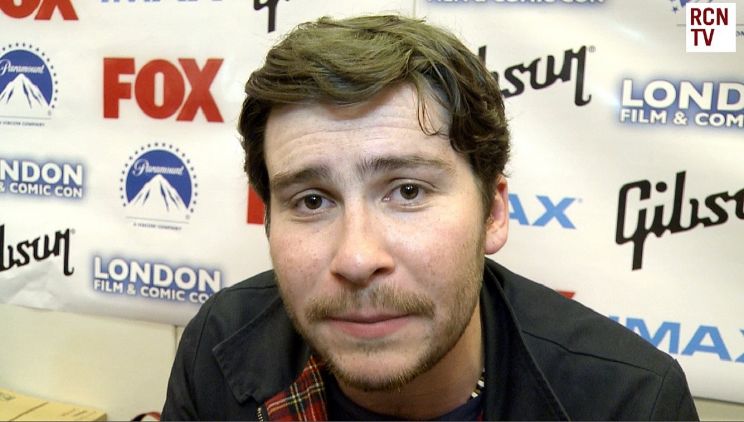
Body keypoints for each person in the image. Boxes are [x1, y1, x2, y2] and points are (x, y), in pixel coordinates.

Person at [161, 15, 698, 421]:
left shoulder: (629, 402)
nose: (356, 258)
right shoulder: (219, 345)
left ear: (492, 213)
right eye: (312, 201)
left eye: (407, 191)